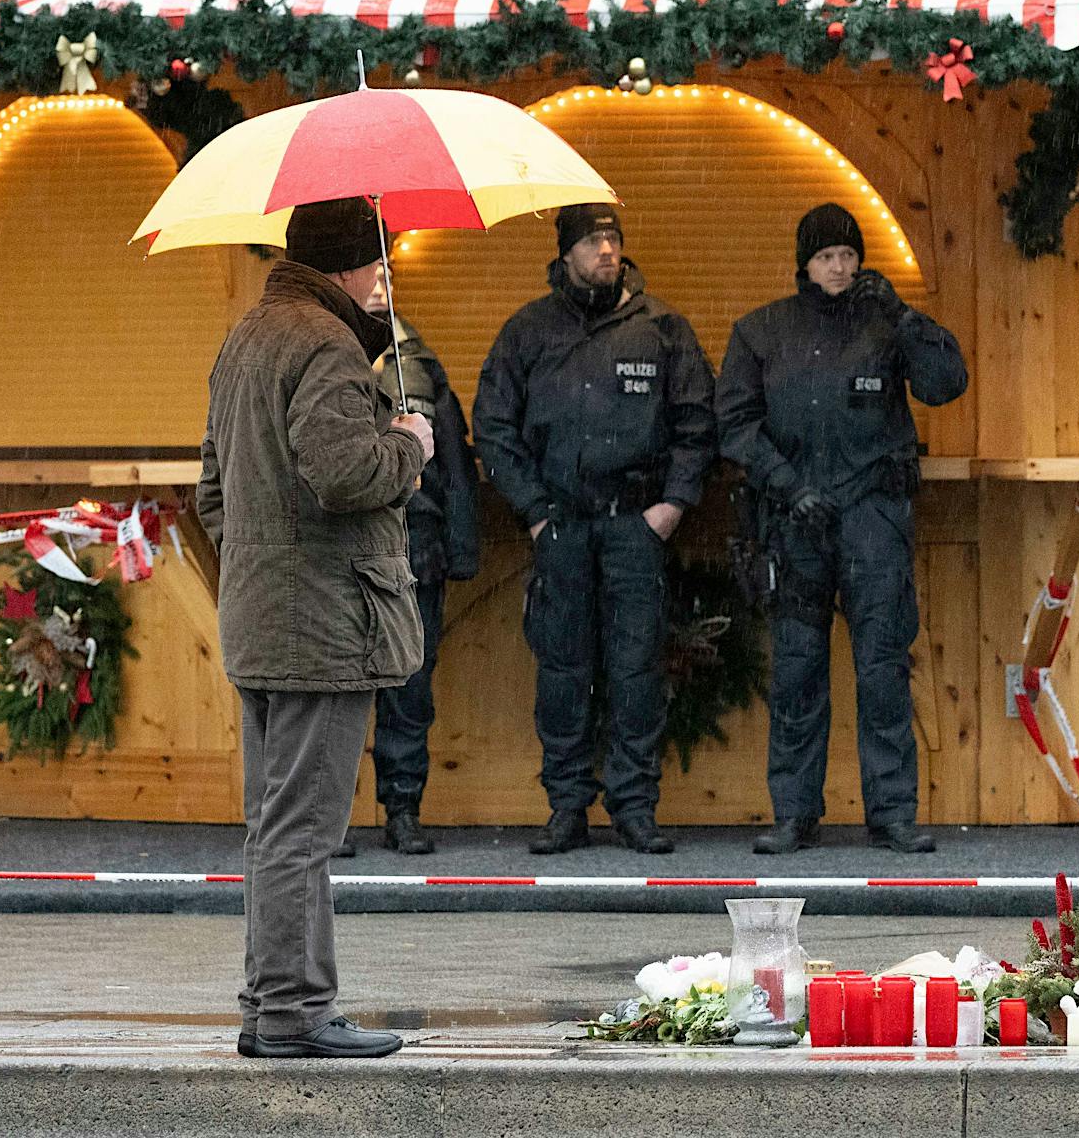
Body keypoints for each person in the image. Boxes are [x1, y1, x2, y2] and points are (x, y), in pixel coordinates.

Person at [196, 198, 435, 1061]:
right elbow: (346, 472)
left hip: (261, 620)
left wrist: (265, 565)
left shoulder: (247, 339)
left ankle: (270, 1007)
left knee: (273, 824)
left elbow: (213, 494)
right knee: (303, 829)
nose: (385, 281)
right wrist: (410, 442)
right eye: (378, 265)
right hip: (325, 627)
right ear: (344, 267)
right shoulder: (327, 345)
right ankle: (297, 1014)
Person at [716, 203, 968, 855]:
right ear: (805, 262)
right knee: (797, 672)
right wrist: (785, 484)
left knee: (883, 669)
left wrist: (906, 318)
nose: (840, 266)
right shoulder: (762, 331)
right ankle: (794, 814)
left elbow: (946, 384)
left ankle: (892, 813)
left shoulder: (885, 325)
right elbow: (735, 425)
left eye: (849, 256)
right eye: (827, 256)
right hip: (795, 522)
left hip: (874, 521)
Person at [474, 203, 716, 856]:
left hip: (635, 528)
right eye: (591, 241)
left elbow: (698, 423)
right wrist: (532, 508)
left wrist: (671, 507)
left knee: (637, 673)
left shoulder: (662, 328)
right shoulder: (529, 333)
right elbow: (492, 425)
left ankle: (635, 807)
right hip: (560, 528)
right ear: (566, 255)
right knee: (563, 672)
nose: (605, 250)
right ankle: (567, 808)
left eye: (612, 239)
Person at [368, 307, 481, 855]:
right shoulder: (314, 359)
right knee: (331, 692)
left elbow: (455, 465)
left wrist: (462, 550)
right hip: (345, 546)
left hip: (419, 545)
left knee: (410, 689)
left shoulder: (420, 366)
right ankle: (328, 818)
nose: (372, 287)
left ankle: (403, 809)